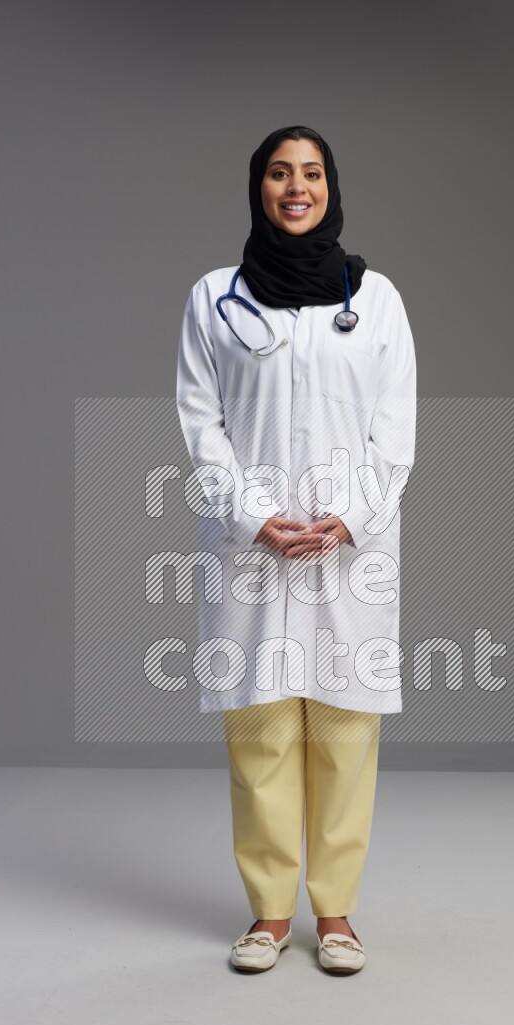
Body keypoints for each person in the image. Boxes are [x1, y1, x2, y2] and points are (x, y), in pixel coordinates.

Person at [175, 125, 416, 975]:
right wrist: (254, 517)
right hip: (254, 550)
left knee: (346, 733)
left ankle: (337, 914)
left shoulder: (374, 299)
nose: (296, 187)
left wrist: (348, 518)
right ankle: (269, 914)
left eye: (311, 172)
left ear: (330, 186)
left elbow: (396, 433)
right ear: (259, 188)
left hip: (350, 550)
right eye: (279, 173)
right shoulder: (215, 298)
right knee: (262, 732)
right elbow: (201, 424)